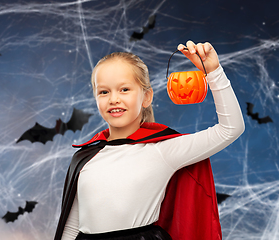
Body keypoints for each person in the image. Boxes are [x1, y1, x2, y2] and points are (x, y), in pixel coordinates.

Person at [54, 41, 245, 240]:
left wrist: (213, 71)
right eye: (104, 92)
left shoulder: (163, 150)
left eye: (124, 89)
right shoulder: (84, 157)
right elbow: (72, 225)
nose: (113, 99)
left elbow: (231, 128)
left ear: (146, 97)